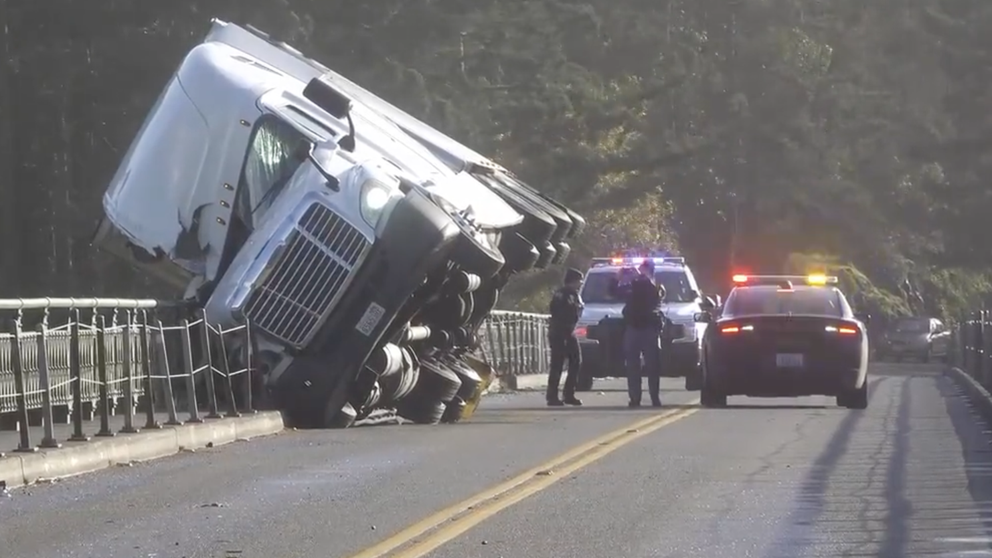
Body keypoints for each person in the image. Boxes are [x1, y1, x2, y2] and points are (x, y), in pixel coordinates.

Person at [612, 259, 666, 407]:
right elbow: (613, 293)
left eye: (644, 269)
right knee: (632, 366)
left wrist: (640, 277)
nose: (640, 271)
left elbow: (653, 293)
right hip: (633, 328)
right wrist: (618, 277)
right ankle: (635, 398)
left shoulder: (655, 286)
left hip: (649, 329)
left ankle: (655, 397)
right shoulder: (633, 286)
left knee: (653, 366)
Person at [547, 267, 584, 407]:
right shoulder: (565, 294)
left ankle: (568, 394)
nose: (581, 284)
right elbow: (562, 313)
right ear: (573, 281)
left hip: (568, 331)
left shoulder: (572, 294)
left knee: (576, 361)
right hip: (561, 332)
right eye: (579, 281)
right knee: (558, 364)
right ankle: (552, 396)